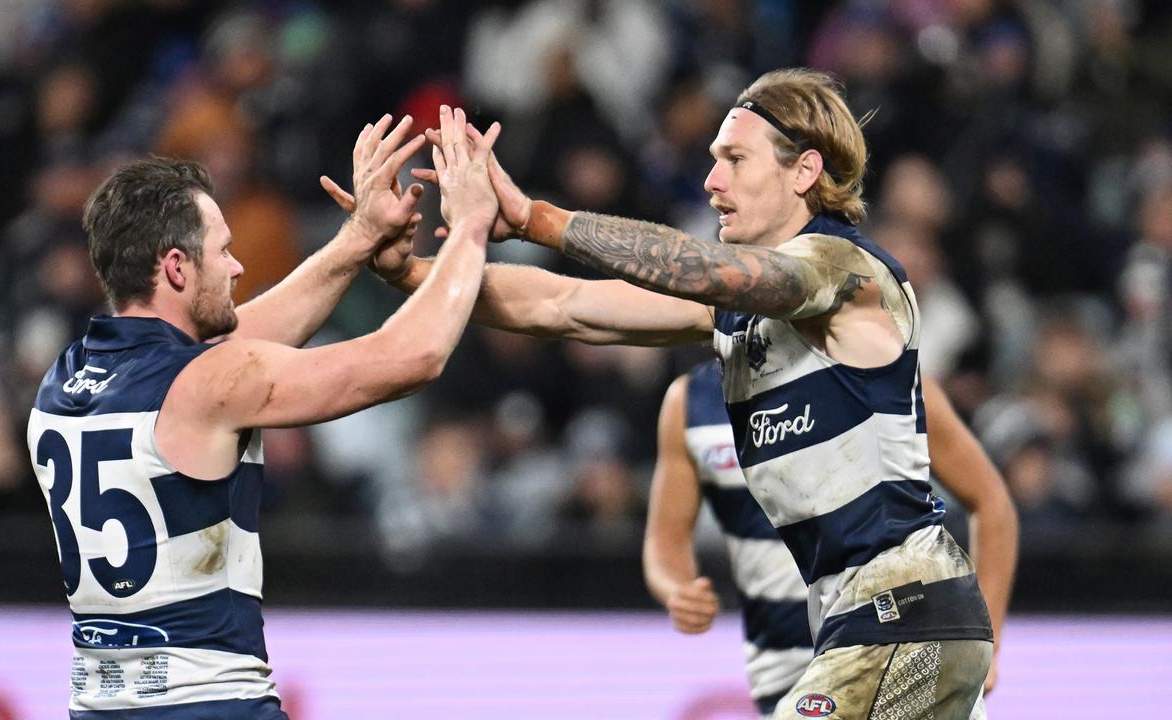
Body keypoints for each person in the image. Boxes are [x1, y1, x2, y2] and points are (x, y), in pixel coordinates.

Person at [337, 70, 997, 718]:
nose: (712, 182)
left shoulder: (847, 268)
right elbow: (562, 304)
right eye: (712, 161)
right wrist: (412, 269)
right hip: (883, 622)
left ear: (804, 172)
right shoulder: (737, 312)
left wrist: (537, 219)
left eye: (735, 159)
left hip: (900, 617)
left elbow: (705, 270)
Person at [27, 107, 502, 718]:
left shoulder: (64, 379)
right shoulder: (207, 381)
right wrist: (469, 227)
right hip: (210, 702)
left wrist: (359, 237)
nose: (238, 266)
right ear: (175, 266)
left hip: (100, 705)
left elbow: (243, 341)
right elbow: (415, 356)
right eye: (222, 252)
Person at [644, 361, 1018, 717]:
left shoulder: (884, 369)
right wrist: (677, 588)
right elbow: (666, 539)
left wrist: (993, 646)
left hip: (892, 645)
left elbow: (990, 502)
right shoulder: (691, 401)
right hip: (783, 670)